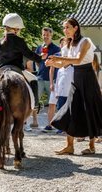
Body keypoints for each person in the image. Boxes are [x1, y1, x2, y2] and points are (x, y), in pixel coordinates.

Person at [45, 18, 102, 155]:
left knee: (89, 110)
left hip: (88, 79)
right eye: (64, 28)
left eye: (67, 27)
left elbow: (78, 60)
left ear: (76, 28)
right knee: (69, 110)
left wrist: (60, 59)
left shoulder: (86, 41)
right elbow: (63, 64)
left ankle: (91, 146)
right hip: (75, 79)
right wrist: (52, 63)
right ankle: (69, 146)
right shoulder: (67, 46)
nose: (65, 30)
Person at [35, 27, 61, 133]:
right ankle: (34, 122)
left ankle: (52, 124)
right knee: (35, 101)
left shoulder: (56, 49)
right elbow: (37, 61)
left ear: (51, 35)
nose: (45, 36)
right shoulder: (39, 48)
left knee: (53, 103)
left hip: (52, 79)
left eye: (47, 35)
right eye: (43, 34)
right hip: (40, 77)